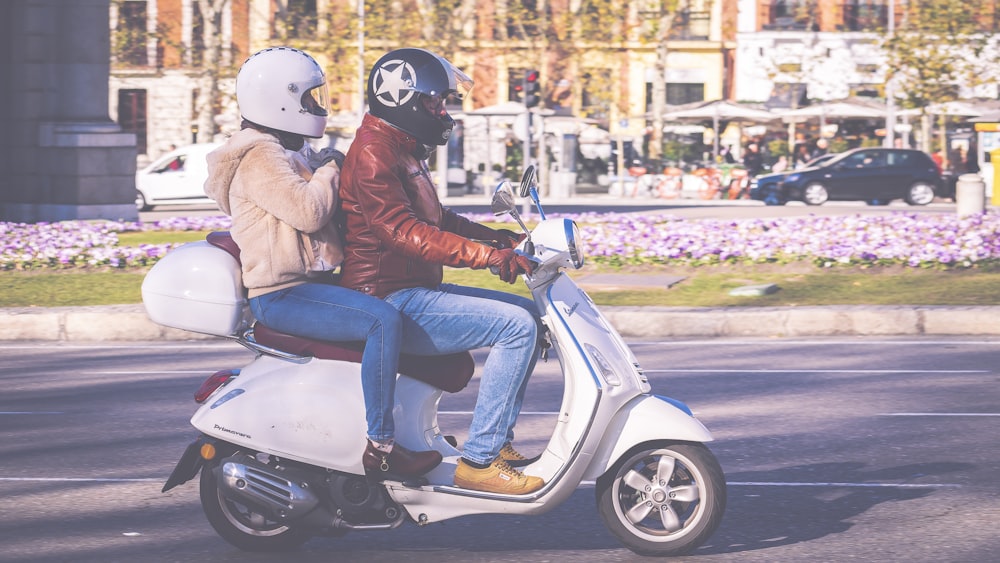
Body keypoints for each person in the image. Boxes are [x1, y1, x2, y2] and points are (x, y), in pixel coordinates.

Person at [203, 47, 441, 481]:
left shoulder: (286, 150)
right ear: (280, 99)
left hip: (309, 286)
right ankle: (383, 446)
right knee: (381, 321)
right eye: (309, 99)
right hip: (281, 294)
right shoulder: (259, 157)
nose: (317, 107)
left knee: (394, 311)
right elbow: (309, 212)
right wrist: (331, 168)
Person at [337, 47, 544, 495]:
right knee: (517, 327)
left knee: (533, 314)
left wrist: (501, 239)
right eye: (436, 101)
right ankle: (481, 460)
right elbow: (402, 231)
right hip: (389, 296)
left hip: (414, 288)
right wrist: (486, 258)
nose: (443, 110)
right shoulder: (375, 153)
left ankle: (498, 444)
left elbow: (439, 220)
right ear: (405, 100)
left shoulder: (401, 148)